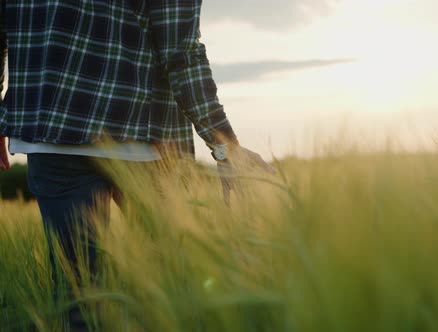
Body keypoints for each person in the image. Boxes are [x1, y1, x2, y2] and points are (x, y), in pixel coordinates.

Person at [0, 1, 273, 329]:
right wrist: (224, 145)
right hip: (147, 137)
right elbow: (181, 51)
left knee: (78, 298)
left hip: (52, 130)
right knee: (166, 288)